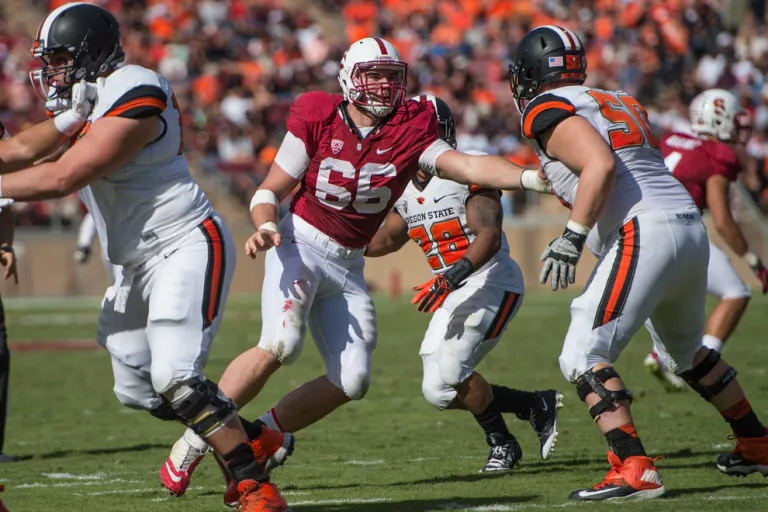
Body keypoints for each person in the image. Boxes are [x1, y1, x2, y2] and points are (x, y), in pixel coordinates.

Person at [159, 36, 551, 502]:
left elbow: (469, 164)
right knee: (280, 343)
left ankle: (262, 435)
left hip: (347, 263)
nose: (385, 87)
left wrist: (531, 176)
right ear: (349, 78)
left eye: (392, 76)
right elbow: (270, 188)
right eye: (375, 76)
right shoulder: (318, 113)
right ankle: (193, 442)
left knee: (353, 380)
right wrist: (264, 225)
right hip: (301, 242)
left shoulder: (410, 128)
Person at [3, 4, 292, 510]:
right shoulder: (84, 99)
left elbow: (64, 176)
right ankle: (251, 436)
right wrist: (68, 117)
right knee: (137, 388)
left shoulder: (138, 86)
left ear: (92, 53)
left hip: (183, 242)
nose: (52, 72)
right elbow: (18, 152)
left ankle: (253, 485)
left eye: (62, 58)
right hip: (135, 263)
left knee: (175, 376)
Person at [510, 25, 768, 501]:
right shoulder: (619, 99)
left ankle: (634, 467)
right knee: (687, 355)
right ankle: (757, 443)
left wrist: (572, 236)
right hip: (688, 227)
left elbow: (601, 165)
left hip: (642, 228)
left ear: (528, 72)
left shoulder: (545, 107)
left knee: (581, 354)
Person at [365, 94, 563, 473]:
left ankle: (502, 444)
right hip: (453, 288)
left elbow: (488, 235)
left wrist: (449, 277)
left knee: (455, 369)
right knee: (437, 391)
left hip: (491, 280)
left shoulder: (466, 167)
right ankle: (533, 405)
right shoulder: (403, 185)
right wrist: (333, 239)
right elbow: (384, 241)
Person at [643, 89, 767, 391]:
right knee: (736, 292)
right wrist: (755, 263)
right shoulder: (716, 154)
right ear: (720, 119)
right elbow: (723, 221)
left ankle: (661, 355)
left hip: (640, 230)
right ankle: (700, 363)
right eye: (734, 120)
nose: (739, 127)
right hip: (679, 233)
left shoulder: (671, 138)